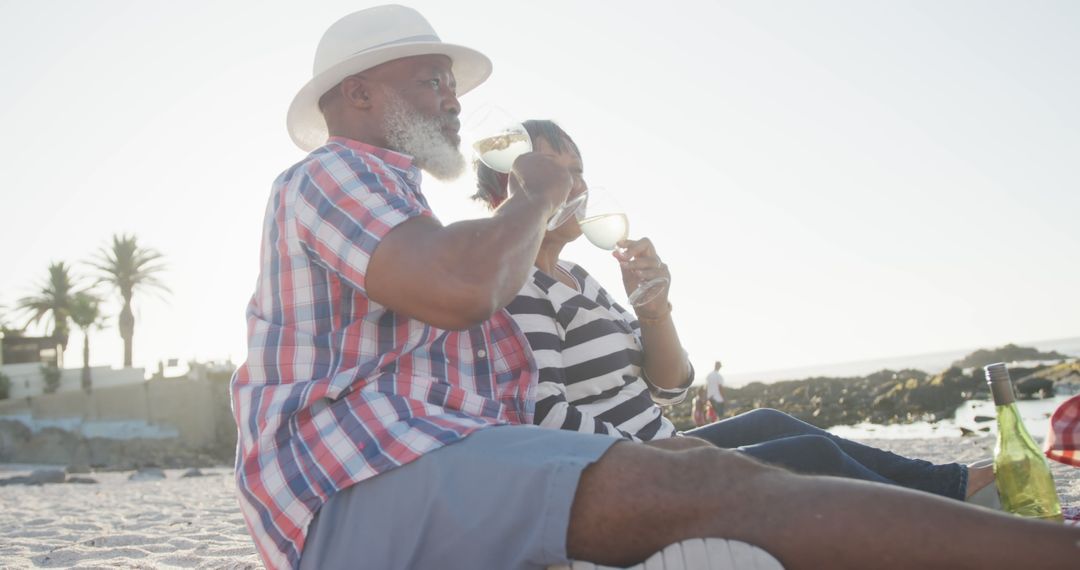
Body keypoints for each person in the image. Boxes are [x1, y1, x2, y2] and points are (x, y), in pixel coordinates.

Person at [232, 6, 1080, 570]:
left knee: (703, 461)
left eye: (452, 83)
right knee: (722, 482)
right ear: (359, 93)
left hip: (414, 473)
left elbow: (598, 388)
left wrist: (652, 325)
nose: (451, 100)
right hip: (356, 488)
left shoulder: (402, 210)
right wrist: (534, 192)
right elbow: (464, 292)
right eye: (431, 81)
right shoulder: (332, 174)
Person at [477, 118, 997, 501]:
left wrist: (657, 312)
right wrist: (657, 453)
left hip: (664, 443)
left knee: (768, 419)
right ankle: (947, 518)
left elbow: (670, 388)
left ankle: (947, 488)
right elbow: (541, 412)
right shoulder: (518, 283)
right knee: (810, 459)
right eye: (557, 172)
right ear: (512, 185)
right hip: (627, 473)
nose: (579, 187)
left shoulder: (579, 278)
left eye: (580, 171)